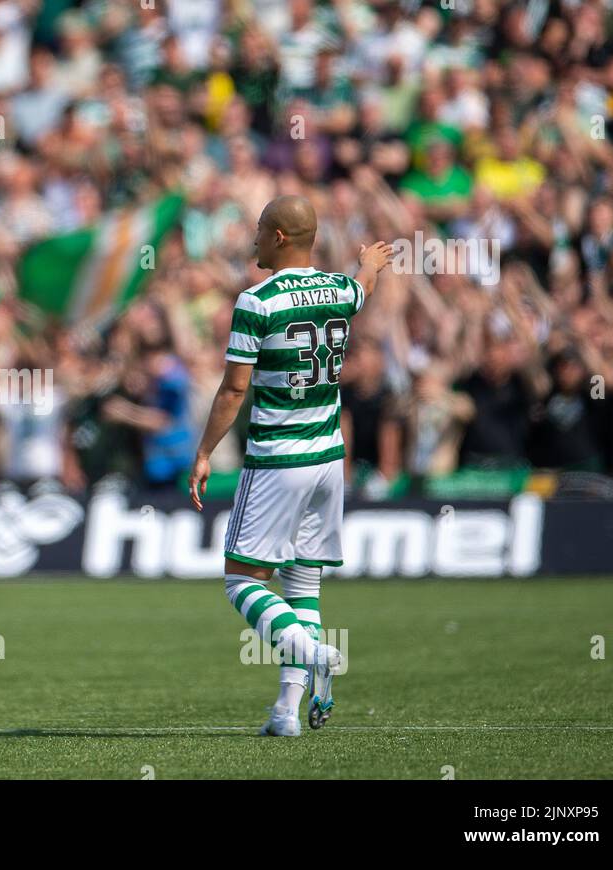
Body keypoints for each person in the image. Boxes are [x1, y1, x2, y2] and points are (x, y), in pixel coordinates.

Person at [188, 195, 393, 737]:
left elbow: (235, 387)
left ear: (278, 237)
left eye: (258, 229)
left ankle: (314, 653)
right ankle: (285, 713)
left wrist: (206, 451)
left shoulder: (257, 301)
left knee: (240, 581)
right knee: (303, 586)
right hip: (329, 459)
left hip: (279, 458)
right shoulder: (340, 290)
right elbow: (362, 289)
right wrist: (369, 263)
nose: (252, 238)